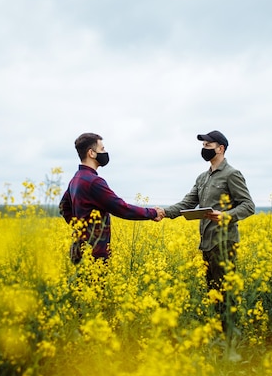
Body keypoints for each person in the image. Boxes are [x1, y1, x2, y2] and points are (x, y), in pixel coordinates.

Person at [163, 130, 255, 332]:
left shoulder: (232, 174)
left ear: (220, 149)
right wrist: (163, 212)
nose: (204, 149)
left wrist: (226, 215)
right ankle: (218, 335)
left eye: (208, 146)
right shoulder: (202, 178)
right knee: (213, 293)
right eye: (203, 146)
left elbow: (248, 205)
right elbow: (188, 203)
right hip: (207, 242)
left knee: (226, 294)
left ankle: (229, 340)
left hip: (224, 242)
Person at [59, 133, 164, 264]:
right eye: (102, 149)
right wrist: (152, 213)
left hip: (79, 250)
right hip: (94, 254)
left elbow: (63, 207)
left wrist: (81, 229)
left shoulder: (76, 179)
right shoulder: (94, 182)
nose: (105, 152)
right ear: (91, 153)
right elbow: (120, 208)